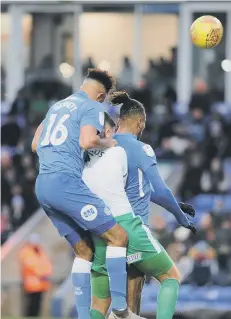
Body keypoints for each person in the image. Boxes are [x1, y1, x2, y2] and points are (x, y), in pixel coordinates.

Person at [32, 69, 142, 319]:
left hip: (43, 185)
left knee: (84, 252)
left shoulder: (57, 107)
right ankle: (121, 310)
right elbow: (86, 141)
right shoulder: (91, 106)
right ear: (101, 95)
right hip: (65, 183)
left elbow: (35, 144)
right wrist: (108, 143)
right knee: (118, 237)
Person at [83, 92, 196, 319]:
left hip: (102, 230)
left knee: (101, 303)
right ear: (140, 123)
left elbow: (138, 189)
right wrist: (180, 217)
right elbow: (162, 190)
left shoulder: (102, 148)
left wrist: (176, 204)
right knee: (167, 279)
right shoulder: (140, 148)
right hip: (132, 231)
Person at [19, 233, 53, 317]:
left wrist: (47, 272)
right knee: (31, 305)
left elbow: (47, 263)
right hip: (31, 284)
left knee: (37, 305)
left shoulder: (40, 251)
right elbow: (30, 264)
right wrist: (41, 273)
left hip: (41, 283)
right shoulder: (26, 251)